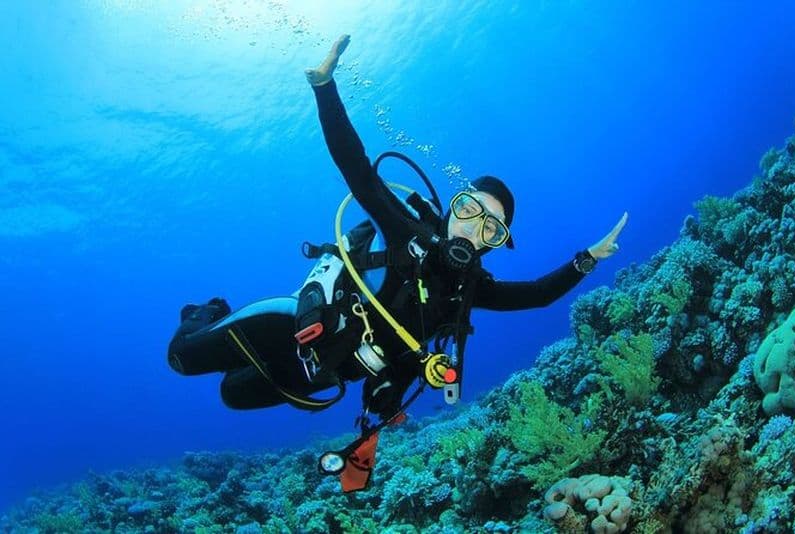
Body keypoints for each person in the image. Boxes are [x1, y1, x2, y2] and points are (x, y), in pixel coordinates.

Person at [167, 34, 627, 488]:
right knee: (182, 359)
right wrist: (325, 89)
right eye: (469, 210)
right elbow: (357, 168)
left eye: (490, 227)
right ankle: (206, 314)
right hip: (290, 326)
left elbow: (537, 296)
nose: (472, 228)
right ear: (453, 207)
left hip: (318, 375)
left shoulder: (470, 291)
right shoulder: (407, 231)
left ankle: (223, 334)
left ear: (494, 242)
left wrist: (589, 258)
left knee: (232, 395)